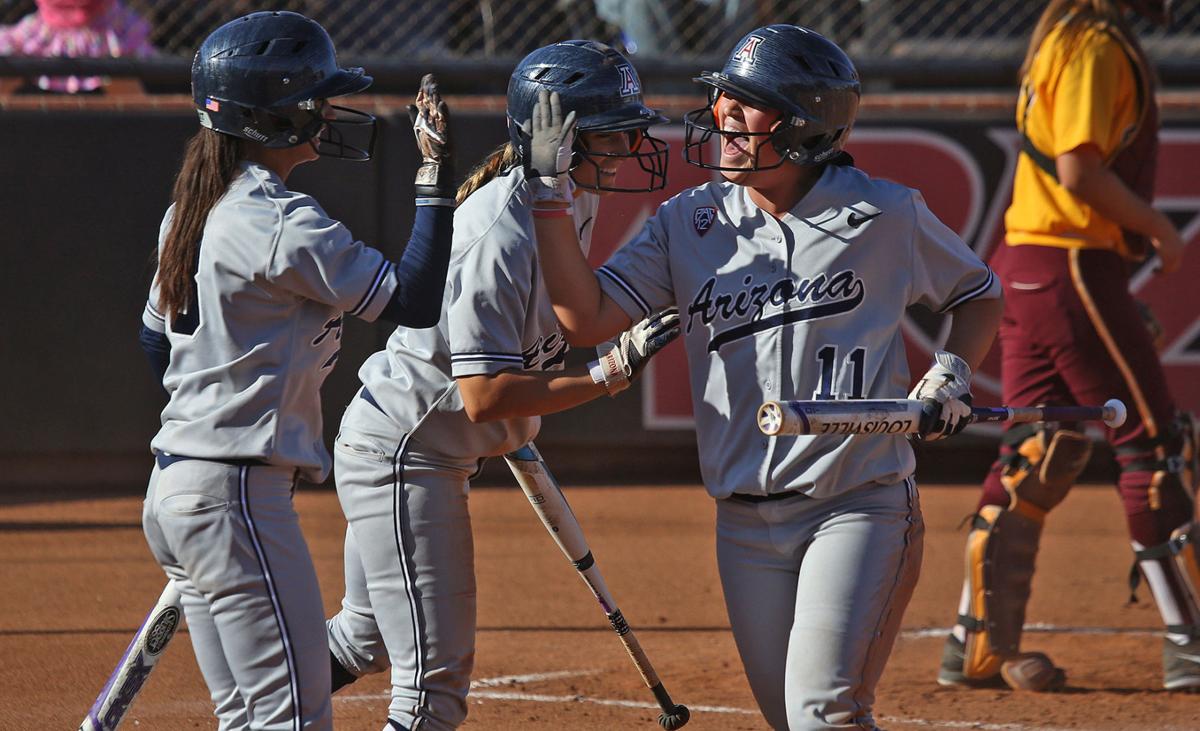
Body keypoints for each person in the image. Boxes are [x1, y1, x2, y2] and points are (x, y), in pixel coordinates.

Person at [526, 24, 1004, 731]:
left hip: (858, 504)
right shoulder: (688, 220)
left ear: (805, 128)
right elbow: (585, 317)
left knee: (823, 713)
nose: (723, 116)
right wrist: (548, 194)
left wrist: (951, 373)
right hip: (743, 522)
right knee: (793, 720)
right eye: (723, 99)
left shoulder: (884, 213)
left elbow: (978, 293)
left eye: (746, 105)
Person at [322, 40, 677, 731]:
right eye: (616, 132)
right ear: (563, 138)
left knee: (361, 639)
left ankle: (257, 707)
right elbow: (483, 396)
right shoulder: (500, 229)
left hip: (426, 446)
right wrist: (607, 374)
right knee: (432, 690)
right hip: (407, 452)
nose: (634, 145)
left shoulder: (564, 193)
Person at [137, 11, 456, 730]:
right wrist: (434, 180)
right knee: (291, 720)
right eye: (312, 100)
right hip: (236, 495)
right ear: (270, 118)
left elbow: (156, 345)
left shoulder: (188, 209)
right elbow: (410, 298)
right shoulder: (282, 221)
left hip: (177, 489)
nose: (325, 111)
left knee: (246, 718)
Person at [934, 0, 1200, 694]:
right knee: (1156, 450)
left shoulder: (1062, 31)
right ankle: (1191, 645)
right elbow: (1079, 171)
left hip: (1026, 263)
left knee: (1037, 450)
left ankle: (975, 643)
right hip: (1071, 262)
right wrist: (1163, 233)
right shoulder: (1094, 42)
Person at [0, 0, 156, 94]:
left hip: (101, 27)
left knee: (121, 78)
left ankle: (147, 135)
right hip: (48, 26)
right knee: (11, 72)